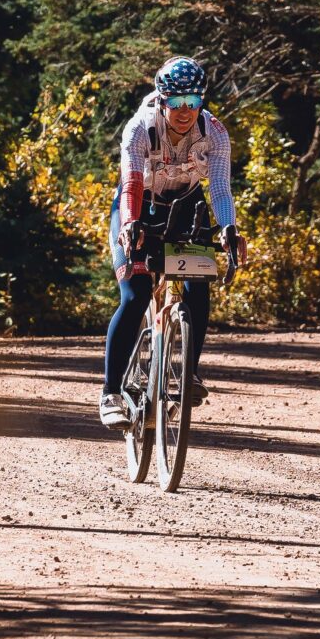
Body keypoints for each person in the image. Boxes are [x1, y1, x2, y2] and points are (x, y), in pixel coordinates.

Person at [101, 56, 245, 426]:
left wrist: (229, 228)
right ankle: (111, 394)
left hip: (185, 205)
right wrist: (131, 223)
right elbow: (132, 183)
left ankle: (190, 373)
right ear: (162, 100)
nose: (185, 111)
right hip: (140, 205)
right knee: (135, 296)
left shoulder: (214, 132)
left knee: (198, 286)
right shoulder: (139, 129)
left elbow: (221, 189)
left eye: (193, 102)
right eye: (177, 102)